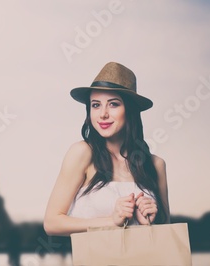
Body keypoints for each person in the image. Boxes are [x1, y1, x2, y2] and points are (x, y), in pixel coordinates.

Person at [43, 62, 170, 236]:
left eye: (113, 104)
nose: (103, 114)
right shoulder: (82, 153)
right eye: (96, 105)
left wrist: (147, 221)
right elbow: (52, 223)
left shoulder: (156, 164)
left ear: (130, 110)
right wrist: (112, 221)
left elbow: (165, 234)